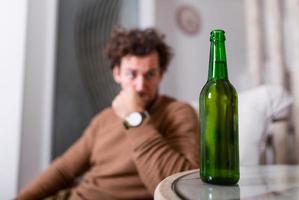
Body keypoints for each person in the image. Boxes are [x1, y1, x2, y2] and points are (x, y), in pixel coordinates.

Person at [17, 27, 199, 200]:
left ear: (161, 75)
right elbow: (64, 169)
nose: (140, 85)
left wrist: (134, 116)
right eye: (131, 74)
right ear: (117, 73)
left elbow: (180, 190)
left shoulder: (178, 112)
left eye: (150, 74)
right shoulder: (104, 118)